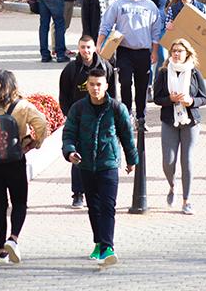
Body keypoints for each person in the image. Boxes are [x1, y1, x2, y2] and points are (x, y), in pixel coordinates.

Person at [61, 66, 138, 267]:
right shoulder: (78, 108)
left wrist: (132, 160)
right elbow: (69, 134)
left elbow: (127, 136)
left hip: (108, 163)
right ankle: (98, 243)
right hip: (85, 164)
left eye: (99, 85)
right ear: (87, 86)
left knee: (108, 206)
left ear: (106, 86)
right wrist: (70, 152)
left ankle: (108, 247)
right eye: (92, 85)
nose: (95, 88)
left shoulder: (117, 108)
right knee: (93, 207)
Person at [0, 70, 47, 264]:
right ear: (14, 86)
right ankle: (13, 238)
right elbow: (41, 124)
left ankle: (2, 250)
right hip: (15, 161)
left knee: (0, 206)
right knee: (19, 202)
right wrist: (34, 143)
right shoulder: (22, 106)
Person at [96, 0, 164, 126]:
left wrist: (154, 51)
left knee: (142, 86)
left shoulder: (150, 6)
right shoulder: (119, 4)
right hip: (124, 50)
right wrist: (99, 44)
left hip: (143, 51)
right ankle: (127, 114)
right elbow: (106, 25)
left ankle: (141, 117)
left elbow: (156, 32)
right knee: (125, 82)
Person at [59, 35, 118, 208]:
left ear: (94, 48)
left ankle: (97, 190)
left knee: (101, 153)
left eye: (89, 47)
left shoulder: (105, 67)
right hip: (79, 119)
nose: (86, 51)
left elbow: (114, 94)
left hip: (102, 117)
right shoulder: (71, 69)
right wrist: (70, 116)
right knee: (77, 155)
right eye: (82, 47)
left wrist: (113, 115)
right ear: (78, 49)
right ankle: (78, 193)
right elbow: (64, 95)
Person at [151, 38, 206, 214]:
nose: (176, 54)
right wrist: (170, 99)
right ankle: (172, 185)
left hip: (190, 121)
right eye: (174, 51)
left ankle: (186, 200)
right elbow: (156, 98)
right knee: (168, 161)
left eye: (180, 51)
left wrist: (191, 101)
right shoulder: (163, 72)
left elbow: (204, 98)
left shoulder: (194, 73)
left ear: (187, 54)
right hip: (169, 120)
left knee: (187, 160)